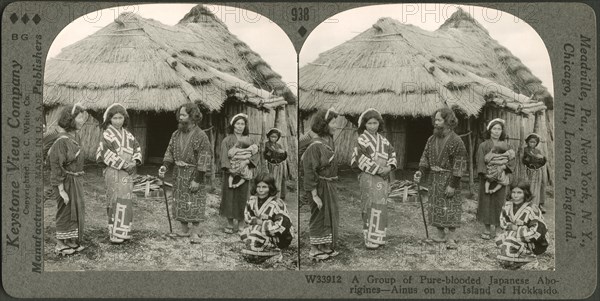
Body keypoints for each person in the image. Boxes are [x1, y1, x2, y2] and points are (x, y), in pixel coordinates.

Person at [158, 103, 213, 244]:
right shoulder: (175, 134)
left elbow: (204, 157)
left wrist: (198, 179)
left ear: (193, 116)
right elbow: (169, 151)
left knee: (195, 201)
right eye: (179, 115)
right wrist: (165, 166)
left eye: (183, 115)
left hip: (194, 173)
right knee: (180, 200)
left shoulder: (201, 136)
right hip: (179, 173)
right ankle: (184, 230)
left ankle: (195, 231)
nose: (180, 118)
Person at [414, 107, 467, 250]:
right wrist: (421, 171)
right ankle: (440, 234)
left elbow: (459, 164)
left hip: (449, 178)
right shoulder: (431, 139)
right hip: (434, 179)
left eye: (439, 120)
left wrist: (453, 184)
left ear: (448, 121)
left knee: (450, 207)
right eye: (435, 120)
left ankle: (451, 238)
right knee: (436, 206)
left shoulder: (457, 141)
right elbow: (425, 156)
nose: (435, 123)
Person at [96, 103, 142, 244]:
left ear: (125, 118)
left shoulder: (128, 135)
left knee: (126, 199)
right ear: (109, 119)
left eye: (120, 118)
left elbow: (137, 148)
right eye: (115, 118)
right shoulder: (107, 135)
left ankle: (124, 231)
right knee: (114, 199)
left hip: (126, 174)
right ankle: (114, 233)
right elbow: (104, 153)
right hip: (113, 171)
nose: (118, 121)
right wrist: (123, 164)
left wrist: (134, 162)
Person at [350, 108, 397, 249]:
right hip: (368, 177)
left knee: (381, 204)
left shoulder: (384, 141)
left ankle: (379, 237)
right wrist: (378, 170)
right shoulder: (361, 140)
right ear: (364, 124)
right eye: (369, 123)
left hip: (382, 179)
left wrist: (388, 168)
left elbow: (392, 154)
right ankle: (369, 239)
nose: (372, 126)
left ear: (379, 124)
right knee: (369, 205)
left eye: (375, 123)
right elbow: (359, 158)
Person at [47, 103, 89, 255]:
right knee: (65, 210)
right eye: (79, 117)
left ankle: (70, 241)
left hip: (74, 180)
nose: (82, 120)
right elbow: (56, 166)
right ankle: (60, 244)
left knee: (75, 210)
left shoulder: (73, 137)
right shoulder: (61, 141)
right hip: (64, 181)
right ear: (70, 119)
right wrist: (61, 190)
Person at [302, 108, 341, 260]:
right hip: (318, 186)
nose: (336, 125)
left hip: (329, 185)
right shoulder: (315, 146)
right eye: (333, 122)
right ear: (324, 124)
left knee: (328, 215)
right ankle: (314, 249)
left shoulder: (328, 141)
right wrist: (314, 195)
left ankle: (324, 246)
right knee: (319, 215)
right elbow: (309, 171)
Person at [476, 118, 516, 240]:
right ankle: (487, 228)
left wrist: (504, 167)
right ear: (489, 130)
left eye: (499, 129)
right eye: (494, 129)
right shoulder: (483, 145)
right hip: (487, 177)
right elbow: (480, 160)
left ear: (502, 131)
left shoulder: (507, 145)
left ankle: (498, 228)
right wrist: (486, 174)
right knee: (486, 201)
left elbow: (512, 160)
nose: (497, 131)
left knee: (499, 201)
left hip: (501, 176)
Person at [220, 113, 259, 234]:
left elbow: (256, 154)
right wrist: (230, 169)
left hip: (244, 171)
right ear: (233, 125)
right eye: (238, 123)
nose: (240, 126)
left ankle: (242, 223)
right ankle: (230, 223)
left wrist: (247, 161)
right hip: (230, 172)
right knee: (229, 196)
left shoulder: (250, 140)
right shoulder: (227, 140)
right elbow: (223, 156)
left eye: (242, 124)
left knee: (243, 196)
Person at [495, 180, 548, 269]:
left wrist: (517, 229)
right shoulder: (507, 206)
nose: (515, 195)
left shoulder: (532, 209)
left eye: (519, 192)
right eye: (513, 192)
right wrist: (511, 228)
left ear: (525, 193)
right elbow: (503, 223)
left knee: (510, 240)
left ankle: (531, 258)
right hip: (515, 235)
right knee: (499, 239)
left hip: (534, 241)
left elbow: (538, 232)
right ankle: (516, 259)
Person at [240, 173, 293, 258]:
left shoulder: (277, 203)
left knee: (254, 234)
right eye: (258, 187)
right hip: (260, 229)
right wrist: (257, 222)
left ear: (270, 187)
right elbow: (247, 217)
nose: (260, 190)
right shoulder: (252, 200)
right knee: (244, 234)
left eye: (264, 187)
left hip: (279, 235)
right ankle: (260, 248)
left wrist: (263, 224)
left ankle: (275, 251)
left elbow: (283, 226)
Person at [522, 133, 547, 213]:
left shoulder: (538, 151)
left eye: (534, 142)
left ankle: (536, 205)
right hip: (528, 171)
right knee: (529, 187)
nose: (532, 144)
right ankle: (527, 205)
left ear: (536, 143)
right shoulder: (525, 150)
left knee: (537, 188)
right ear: (527, 142)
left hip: (537, 171)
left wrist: (542, 158)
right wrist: (536, 157)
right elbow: (526, 159)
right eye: (530, 142)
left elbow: (542, 162)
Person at [264, 128, 288, 199]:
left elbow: (283, 157)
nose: (273, 139)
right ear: (268, 136)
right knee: (271, 181)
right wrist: (272, 152)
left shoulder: (279, 146)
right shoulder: (266, 145)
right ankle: (269, 197)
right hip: (270, 166)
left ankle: (277, 197)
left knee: (278, 182)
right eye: (272, 137)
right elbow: (266, 155)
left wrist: (283, 153)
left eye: (275, 137)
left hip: (278, 166)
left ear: (278, 138)